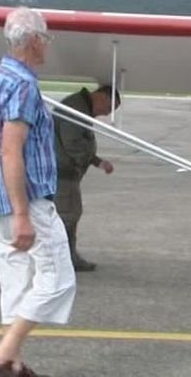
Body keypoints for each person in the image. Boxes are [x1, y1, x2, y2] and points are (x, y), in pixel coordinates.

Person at [0, 7, 76, 377]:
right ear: (35, 40)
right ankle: (3, 354)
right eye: (46, 37)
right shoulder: (22, 85)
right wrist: (23, 213)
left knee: (16, 279)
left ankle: (13, 365)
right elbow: (11, 149)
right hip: (27, 201)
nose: (47, 45)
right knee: (57, 280)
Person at [53, 85, 121, 272]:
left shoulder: (80, 106)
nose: (105, 114)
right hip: (63, 174)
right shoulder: (76, 109)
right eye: (108, 109)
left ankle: (64, 258)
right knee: (67, 216)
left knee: (68, 215)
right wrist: (87, 160)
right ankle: (63, 260)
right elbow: (72, 143)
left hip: (65, 172)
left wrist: (97, 162)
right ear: (101, 97)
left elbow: (77, 142)